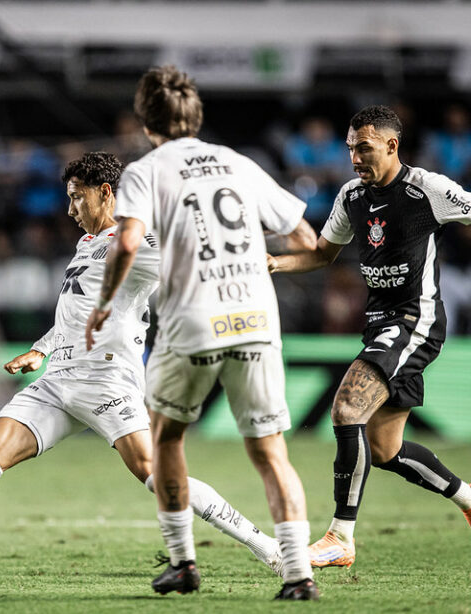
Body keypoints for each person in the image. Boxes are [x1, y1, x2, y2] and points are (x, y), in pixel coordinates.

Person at [0, 152, 284, 583]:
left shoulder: (137, 241)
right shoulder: (88, 243)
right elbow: (75, 314)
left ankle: (269, 547)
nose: (71, 209)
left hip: (106, 381)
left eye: (77, 197)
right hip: (59, 380)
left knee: (157, 476)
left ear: (105, 192)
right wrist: (41, 350)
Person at [85, 67, 319, 601]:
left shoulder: (146, 171)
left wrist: (103, 305)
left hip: (193, 321)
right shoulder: (240, 163)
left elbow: (126, 243)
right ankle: (299, 575)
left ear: (147, 122)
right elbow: (307, 237)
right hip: (256, 319)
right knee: (271, 453)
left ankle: (183, 563)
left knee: (167, 438)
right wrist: (268, 258)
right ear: (196, 117)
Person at [267, 105, 471, 568]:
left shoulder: (428, 189)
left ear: (392, 145)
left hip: (414, 320)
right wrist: (276, 262)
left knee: (346, 409)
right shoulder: (352, 196)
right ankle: (467, 497)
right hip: (380, 324)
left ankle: (340, 537)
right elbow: (322, 253)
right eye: (350, 149)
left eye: (364, 148)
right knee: (384, 450)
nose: (355, 158)